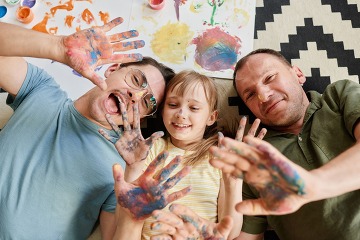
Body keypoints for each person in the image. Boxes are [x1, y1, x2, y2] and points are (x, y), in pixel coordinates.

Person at [0, 18, 178, 239]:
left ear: (141, 118)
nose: (135, 95)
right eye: (135, 79)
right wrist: (58, 47)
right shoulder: (41, 89)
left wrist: (133, 214)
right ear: (112, 69)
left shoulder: (120, 170)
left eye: (147, 102)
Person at [208, 48, 360, 240]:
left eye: (269, 78)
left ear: (298, 74)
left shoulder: (339, 96)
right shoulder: (253, 158)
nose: (263, 95)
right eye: (251, 95)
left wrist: (312, 185)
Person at [102, 70, 266, 240]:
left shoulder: (220, 157)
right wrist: (133, 167)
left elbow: (230, 233)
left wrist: (234, 184)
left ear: (211, 117)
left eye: (194, 108)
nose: (181, 114)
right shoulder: (148, 149)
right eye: (172, 105)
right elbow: (126, 215)